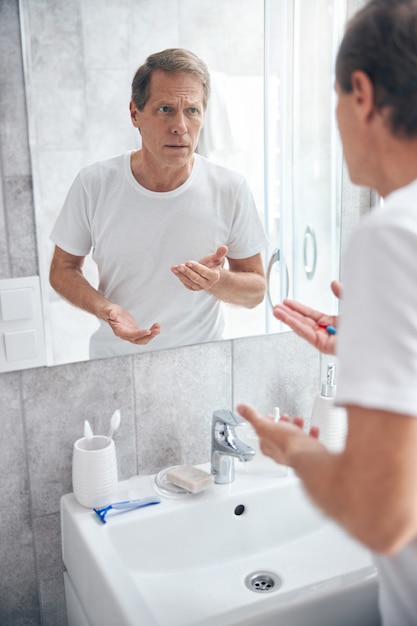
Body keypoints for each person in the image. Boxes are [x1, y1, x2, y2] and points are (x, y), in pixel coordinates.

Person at [237, 1, 417, 624]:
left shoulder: (393, 232)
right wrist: (370, 345)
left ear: (362, 94)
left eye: (335, 97)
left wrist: (295, 453)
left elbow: (380, 517)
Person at [49, 48, 267, 358]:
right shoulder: (93, 184)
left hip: (201, 364)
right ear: (135, 114)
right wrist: (106, 309)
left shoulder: (230, 188)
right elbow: (62, 270)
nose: (180, 125)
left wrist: (216, 282)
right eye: (165, 109)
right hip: (115, 361)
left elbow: (256, 290)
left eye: (192, 110)